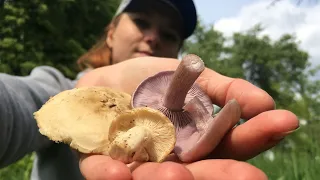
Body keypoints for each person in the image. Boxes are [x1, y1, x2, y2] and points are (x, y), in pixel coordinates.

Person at [0, 0, 299, 179]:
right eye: (141, 22)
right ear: (112, 32)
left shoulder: (188, 120)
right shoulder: (58, 89)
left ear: (178, 51)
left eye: (168, 34)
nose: (153, 38)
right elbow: (15, 105)